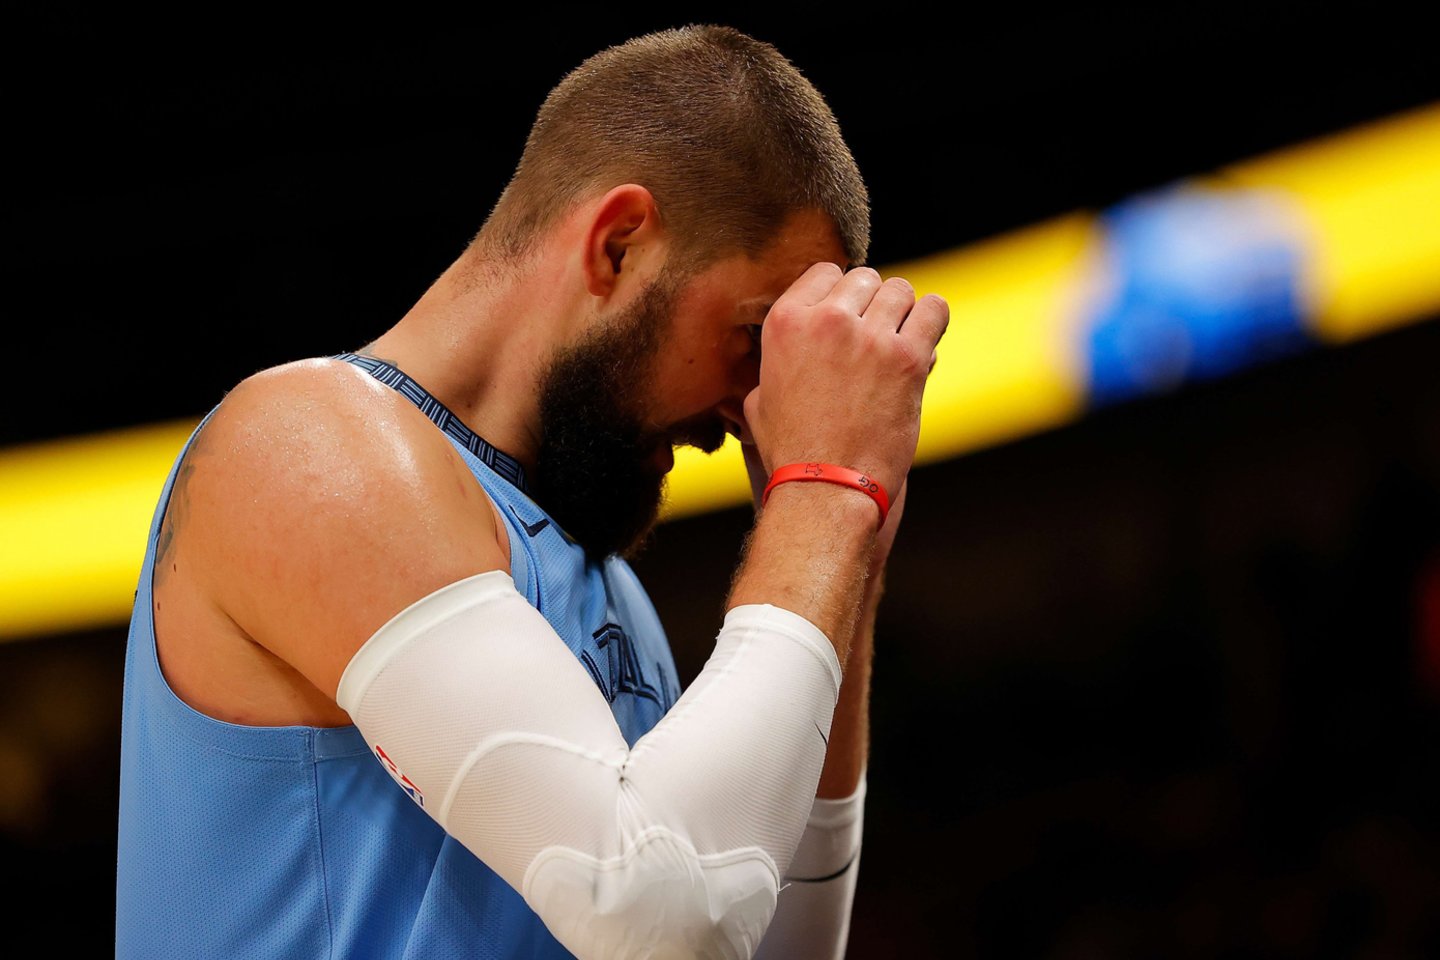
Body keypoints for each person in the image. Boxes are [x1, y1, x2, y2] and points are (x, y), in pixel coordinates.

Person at [115, 23, 948, 960]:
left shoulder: (610, 588)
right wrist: (823, 492)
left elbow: (766, 941)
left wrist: (850, 543)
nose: (746, 410)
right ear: (619, 244)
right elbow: (660, 916)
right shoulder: (304, 444)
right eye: (753, 339)